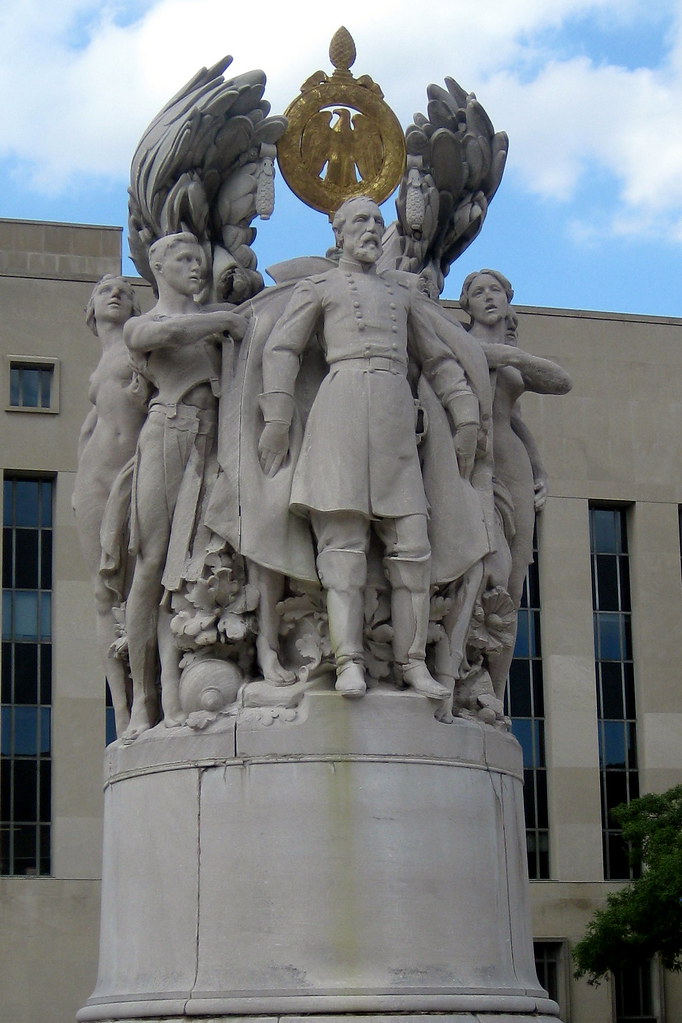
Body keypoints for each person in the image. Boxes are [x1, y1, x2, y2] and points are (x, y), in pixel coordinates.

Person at [257, 196, 484, 699]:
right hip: (339, 408)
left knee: (412, 547)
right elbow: (282, 348)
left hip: (395, 419)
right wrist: (276, 416)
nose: (372, 228)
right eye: (361, 220)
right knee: (342, 548)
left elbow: (439, 359)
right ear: (338, 233)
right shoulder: (319, 287)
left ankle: (413, 662)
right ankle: (348, 662)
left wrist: (464, 412)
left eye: (378, 220)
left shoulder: (402, 296)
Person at [122, 232, 246, 740]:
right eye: (184, 258)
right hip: (170, 431)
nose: (195, 267)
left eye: (200, 259)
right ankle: (144, 698)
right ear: (158, 266)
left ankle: (182, 685)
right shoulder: (145, 323)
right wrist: (222, 319)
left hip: (218, 441)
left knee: (190, 568)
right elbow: (162, 338)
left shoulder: (216, 325)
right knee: (153, 563)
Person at [459, 268, 572, 695]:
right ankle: (463, 673)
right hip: (468, 460)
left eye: (496, 291)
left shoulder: (511, 356)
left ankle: (496, 694)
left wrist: (540, 467)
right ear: (465, 304)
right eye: (478, 292)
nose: (489, 298)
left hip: (512, 461)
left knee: (515, 578)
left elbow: (554, 388)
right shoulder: (457, 341)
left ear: (508, 300)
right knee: (482, 564)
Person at [72, 275, 145, 738]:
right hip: (94, 484)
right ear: (91, 311)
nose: (115, 293)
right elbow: (88, 433)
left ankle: (148, 701)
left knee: (143, 589)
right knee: (105, 596)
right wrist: (79, 488)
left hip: (136, 476)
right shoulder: (98, 369)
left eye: (124, 290)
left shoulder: (142, 343)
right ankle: (121, 710)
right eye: (105, 291)